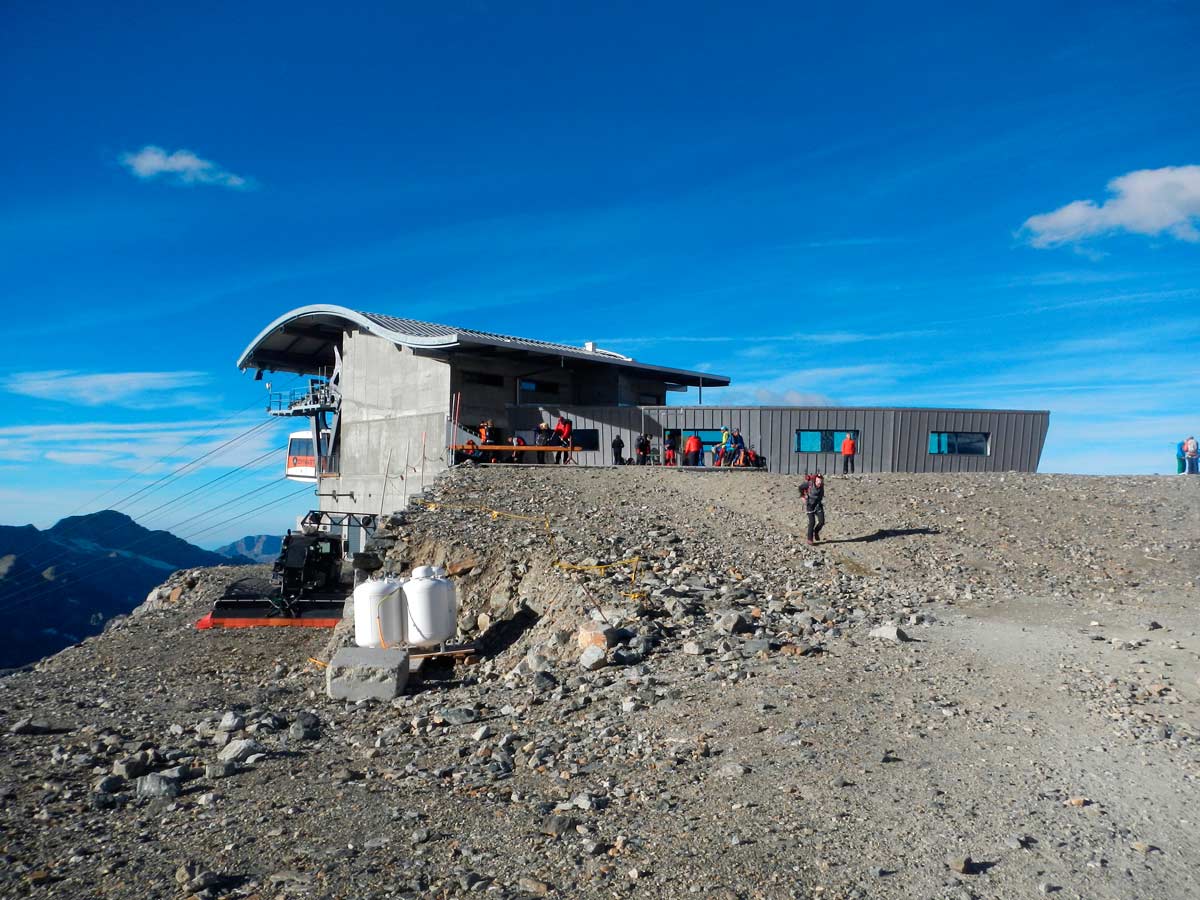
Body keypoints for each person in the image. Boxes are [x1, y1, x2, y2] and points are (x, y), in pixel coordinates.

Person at [802, 474, 825, 545]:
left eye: (821, 481)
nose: (819, 483)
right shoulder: (810, 484)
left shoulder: (822, 486)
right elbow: (801, 488)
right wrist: (803, 497)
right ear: (815, 481)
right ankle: (810, 539)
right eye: (818, 481)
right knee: (812, 522)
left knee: (822, 521)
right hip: (810, 505)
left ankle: (816, 531)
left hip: (818, 505)